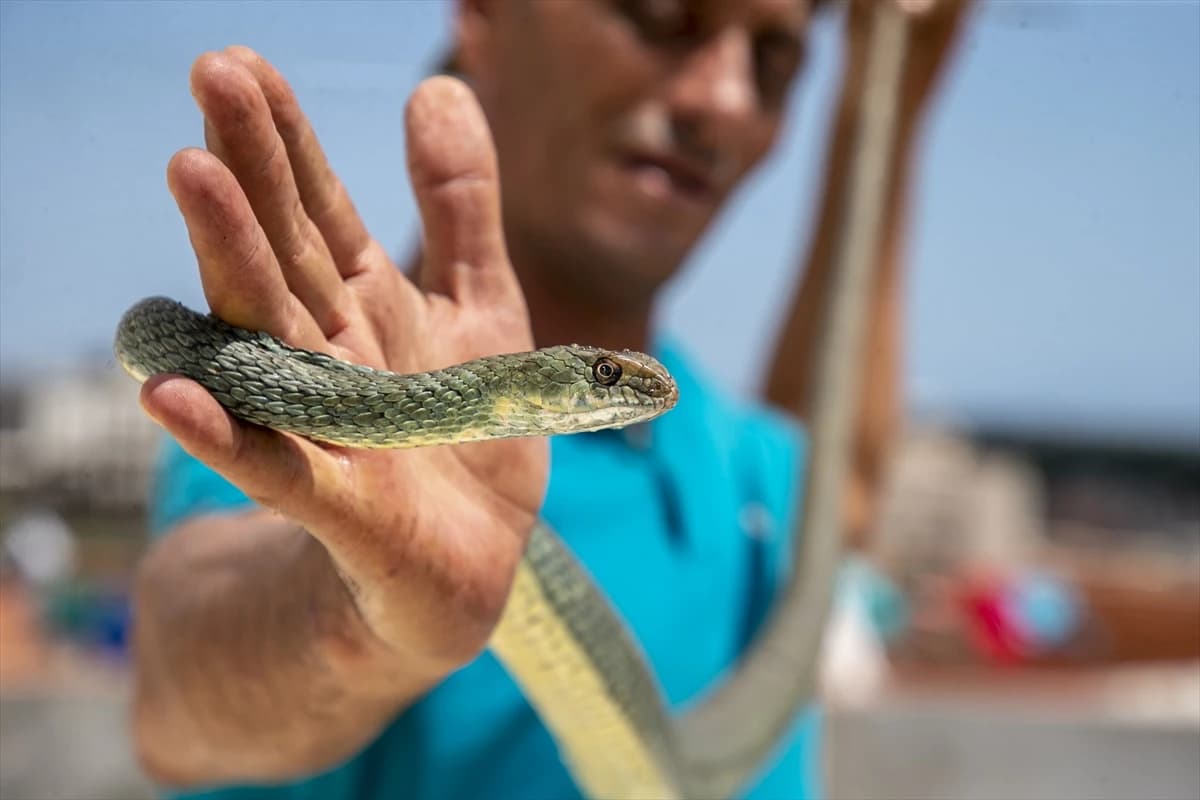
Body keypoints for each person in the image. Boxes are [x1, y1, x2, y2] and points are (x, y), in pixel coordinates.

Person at [130, 1, 967, 798]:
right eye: (660, 14)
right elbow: (177, 686)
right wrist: (362, 606)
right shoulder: (284, 404)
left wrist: (887, 100)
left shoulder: (738, 459)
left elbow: (838, 489)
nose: (723, 99)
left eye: (775, 63)